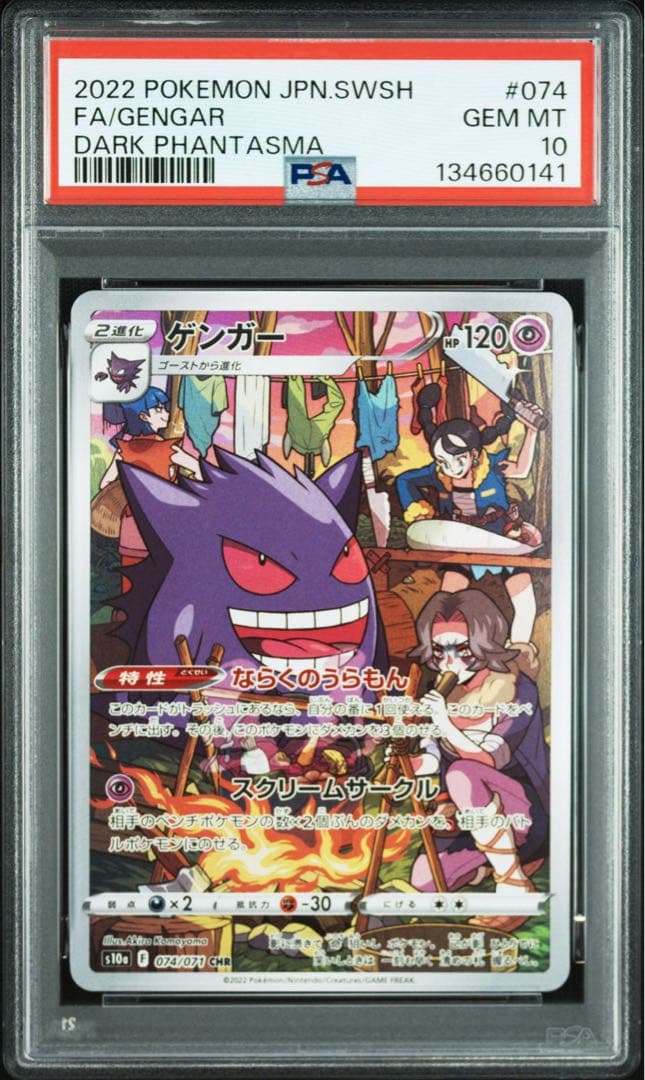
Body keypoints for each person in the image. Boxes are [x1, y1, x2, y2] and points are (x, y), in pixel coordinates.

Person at [409, 588, 548, 932]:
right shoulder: (443, 692)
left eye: (462, 650)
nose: (449, 662)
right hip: (471, 819)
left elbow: (486, 760)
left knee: (463, 773)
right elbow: (432, 759)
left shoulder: (517, 689)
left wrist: (443, 723)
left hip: (525, 814)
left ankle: (514, 886)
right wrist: (411, 762)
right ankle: (503, 862)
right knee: (425, 880)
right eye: (439, 651)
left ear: (485, 642)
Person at [99, 386, 202, 591]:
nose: (166, 413)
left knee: (132, 586)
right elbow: (200, 473)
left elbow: (104, 485)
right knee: (164, 585)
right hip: (165, 526)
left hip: (132, 527)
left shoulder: (123, 451)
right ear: (144, 416)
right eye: (159, 409)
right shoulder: (169, 449)